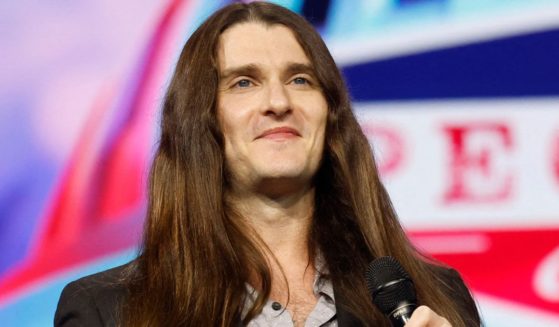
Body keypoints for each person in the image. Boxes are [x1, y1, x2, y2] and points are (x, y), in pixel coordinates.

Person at [54, 2, 481, 326]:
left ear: (330, 116)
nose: (279, 103)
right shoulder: (107, 310)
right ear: (199, 121)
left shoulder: (435, 299)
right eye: (244, 82)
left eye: (300, 79)